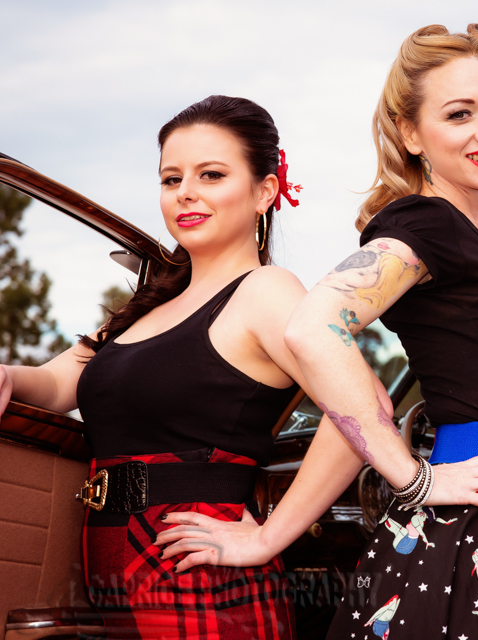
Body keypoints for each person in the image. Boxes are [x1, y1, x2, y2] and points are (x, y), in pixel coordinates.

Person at [159, 23, 478, 639]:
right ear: (410, 134)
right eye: (457, 114)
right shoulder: (423, 226)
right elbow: (314, 327)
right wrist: (414, 479)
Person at [0, 95, 376, 639]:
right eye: (171, 179)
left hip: (201, 574)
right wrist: (9, 376)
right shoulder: (147, 303)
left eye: (211, 175)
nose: (186, 192)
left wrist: (269, 536)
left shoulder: (266, 291)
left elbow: (364, 407)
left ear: (265, 191)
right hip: (110, 570)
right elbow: (60, 383)